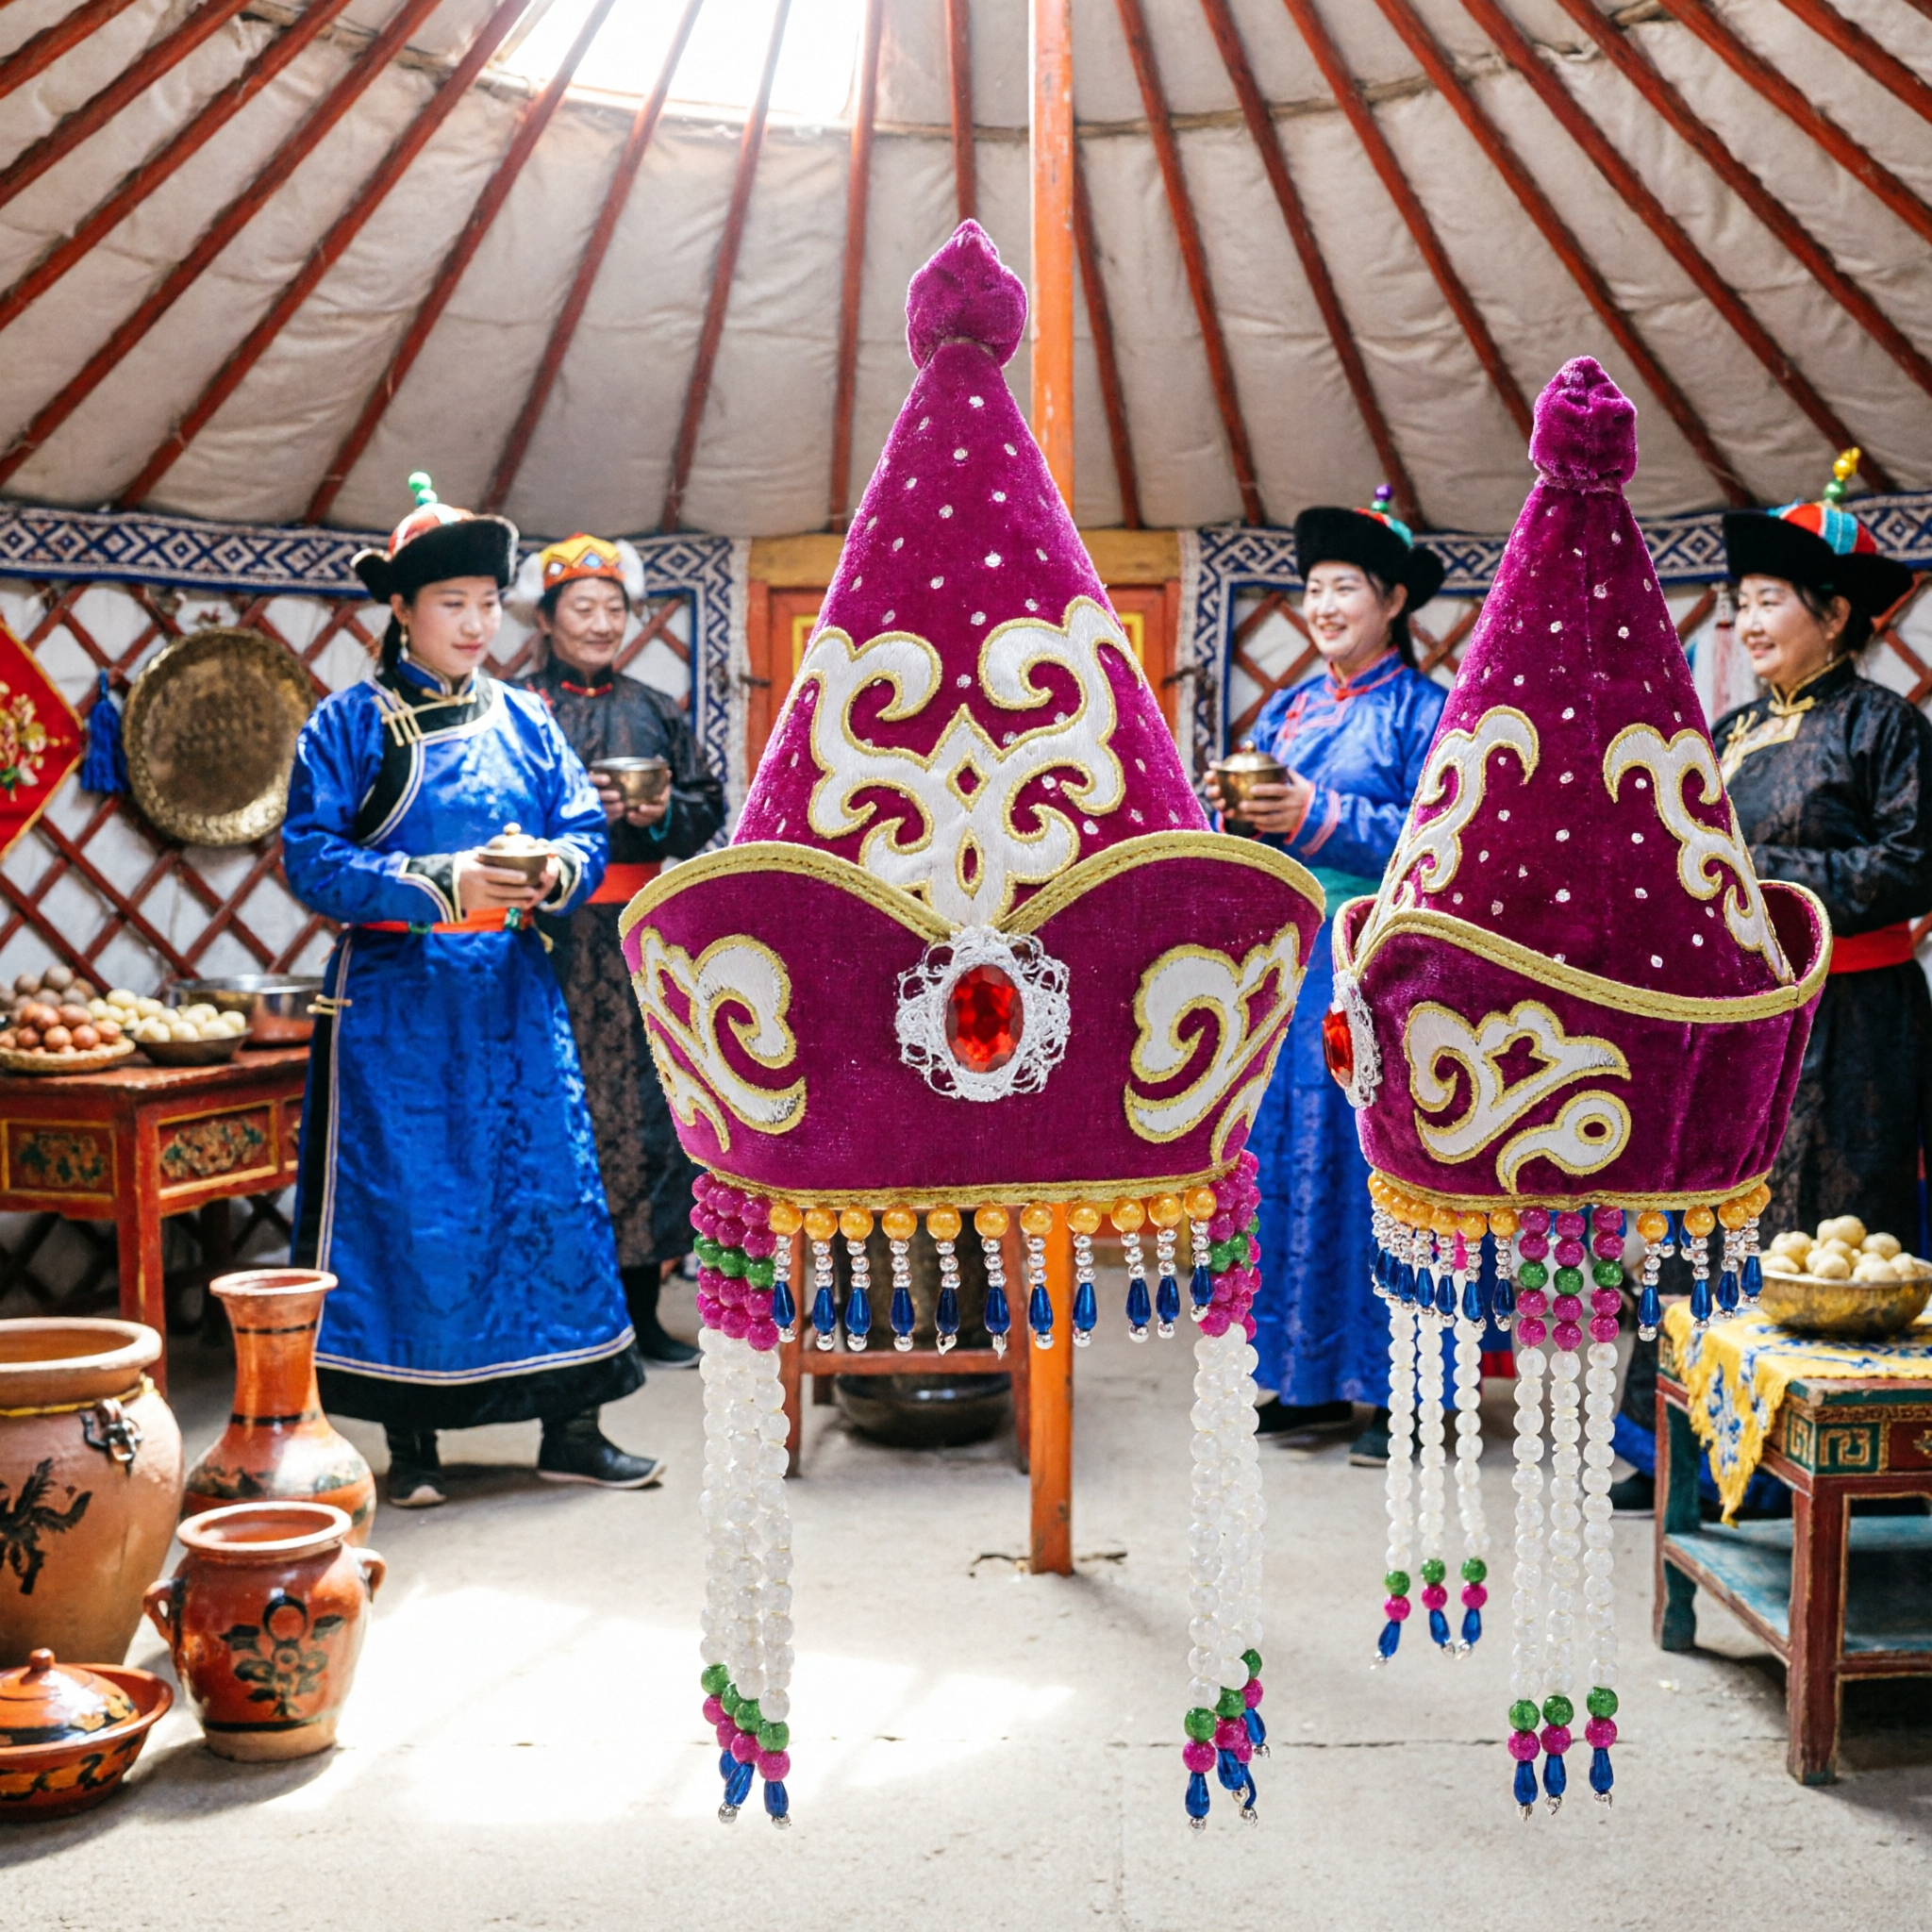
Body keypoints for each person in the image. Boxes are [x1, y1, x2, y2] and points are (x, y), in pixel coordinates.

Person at [283, 476, 661, 1507]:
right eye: (453, 603)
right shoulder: (348, 725)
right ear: (402, 609)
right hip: (400, 1012)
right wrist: (435, 885)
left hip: (510, 1001)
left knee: (553, 1196)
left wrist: (552, 872)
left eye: (488, 603)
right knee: (416, 1212)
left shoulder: (525, 720)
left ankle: (571, 1428)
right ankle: (414, 1445)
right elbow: (310, 860)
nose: (475, 622)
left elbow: (583, 828)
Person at [1611, 451, 1930, 1510]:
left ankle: (1805, 1477)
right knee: (1704, 1219)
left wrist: (1767, 876)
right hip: (1734, 1026)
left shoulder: (1884, 729)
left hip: (1852, 1023)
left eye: (1768, 603)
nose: (1746, 625)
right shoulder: (1730, 732)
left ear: (1834, 615)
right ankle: (1679, 1453)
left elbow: (1910, 863)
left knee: (1824, 1226)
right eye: (1738, 605)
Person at [1205, 491, 1450, 1462]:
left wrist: (1313, 812)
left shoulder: (1426, 714)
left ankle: (1403, 1396)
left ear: (1390, 599)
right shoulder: (1289, 707)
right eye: (1310, 588)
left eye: (1343, 586)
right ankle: (1303, 1380)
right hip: (1290, 972)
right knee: (1286, 1166)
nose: (1321, 605)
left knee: (1375, 1175)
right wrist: (1236, 808)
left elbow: (1435, 845)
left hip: (1379, 973)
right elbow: (1255, 822)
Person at [514, 534, 726, 1369]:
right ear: (546, 618)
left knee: (646, 1119)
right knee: (556, 1119)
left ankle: (643, 1317)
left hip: (639, 935)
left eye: (615, 609)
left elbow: (707, 811)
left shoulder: (654, 707)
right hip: (544, 939)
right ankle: (561, 1321)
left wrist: (660, 814)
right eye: (583, 609)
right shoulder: (516, 709)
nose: (602, 624)